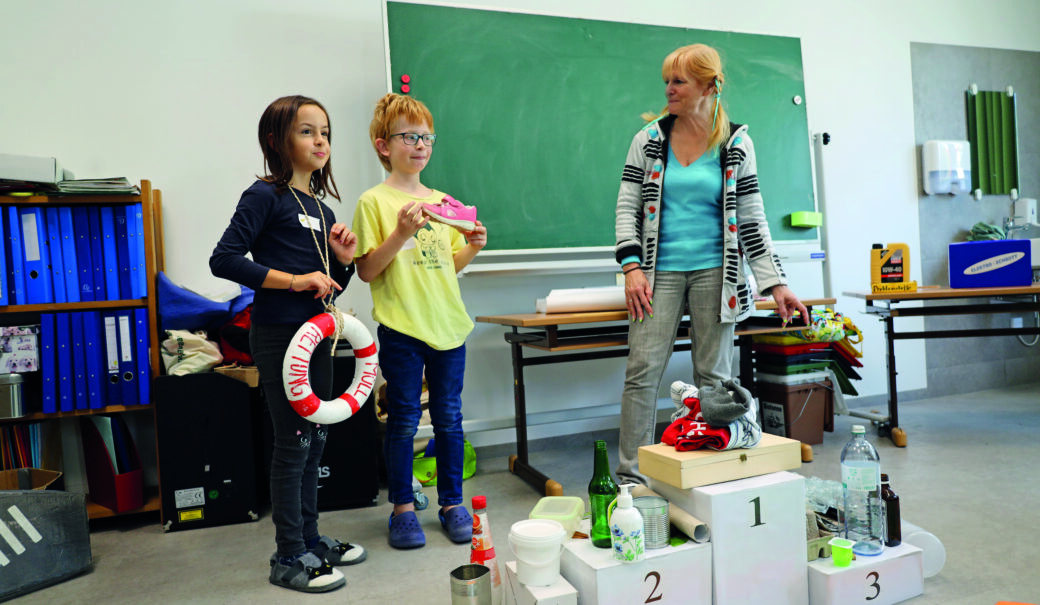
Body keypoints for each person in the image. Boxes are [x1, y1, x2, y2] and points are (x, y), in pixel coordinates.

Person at [614, 44, 809, 484]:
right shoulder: (648, 140)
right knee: (641, 373)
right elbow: (627, 207)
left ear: (709, 85)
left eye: (678, 81)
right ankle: (631, 478)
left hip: (717, 276)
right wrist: (632, 267)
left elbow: (753, 217)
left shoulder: (736, 142)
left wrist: (775, 283)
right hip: (655, 273)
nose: (669, 89)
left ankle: (711, 468)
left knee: (714, 379)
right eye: (667, 80)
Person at [210, 95, 364, 593]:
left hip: (318, 336)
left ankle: (312, 540)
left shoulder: (321, 207)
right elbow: (225, 259)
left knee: (316, 438)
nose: (320, 141)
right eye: (307, 131)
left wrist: (342, 261)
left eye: (325, 132)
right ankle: (287, 555)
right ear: (277, 140)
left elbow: (331, 282)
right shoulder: (265, 195)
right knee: (293, 442)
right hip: (280, 334)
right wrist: (296, 281)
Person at [352, 93, 487, 550]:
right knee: (405, 419)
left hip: (449, 326)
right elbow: (367, 270)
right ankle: (403, 510)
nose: (421, 144)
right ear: (383, 145)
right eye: (409, 136)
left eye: (427, 137)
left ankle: (452, 503)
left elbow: (446, 264)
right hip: (403, 328)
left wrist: (473, 247)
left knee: (449, 418)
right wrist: (401, 232)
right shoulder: (374, 202)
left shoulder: (443, 202)